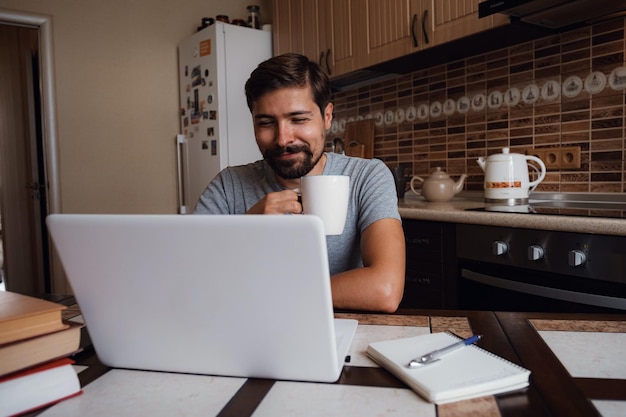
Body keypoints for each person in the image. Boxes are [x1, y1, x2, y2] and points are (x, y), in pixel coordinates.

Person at [195, 53, 405, 312]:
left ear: (327, 117)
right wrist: (244, 231)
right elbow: (189, 281)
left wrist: (275, 292)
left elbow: (385, 289)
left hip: (342, 334)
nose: (283, 139)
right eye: (266, 123)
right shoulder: (229, 186)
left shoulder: (367, 177)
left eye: (298, 119)